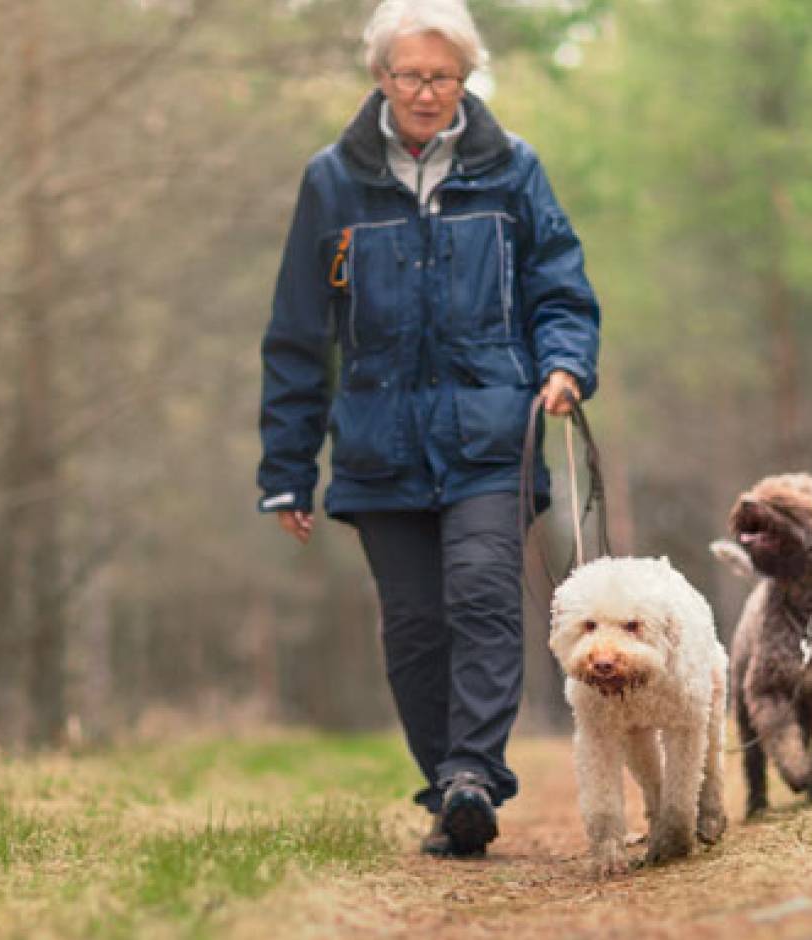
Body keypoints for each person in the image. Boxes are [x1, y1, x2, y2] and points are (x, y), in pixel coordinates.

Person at [256, 0, 599, 858]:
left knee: (482, 596)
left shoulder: (512, 171)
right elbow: (300, 333)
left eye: (442, 76)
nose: (425, 91)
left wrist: (564, 362)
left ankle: (474, 774)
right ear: (379, 76)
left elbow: (559, 285)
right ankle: (448, 788)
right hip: (378, 442)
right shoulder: (331, 181)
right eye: (409, 74)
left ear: (465, 79)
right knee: (413, 625)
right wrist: (288, 468)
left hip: (491, 433)